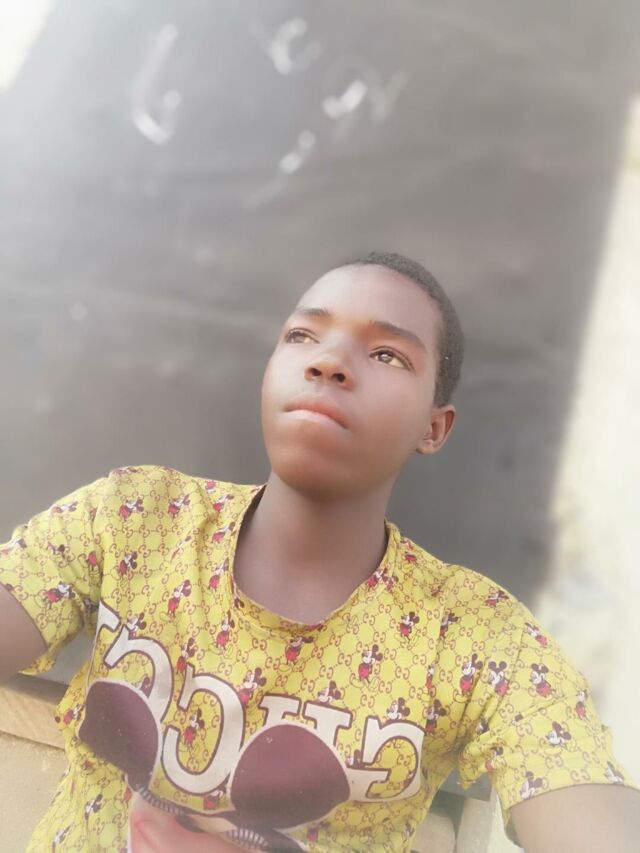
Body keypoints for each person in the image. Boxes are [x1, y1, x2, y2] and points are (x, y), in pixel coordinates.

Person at [0, 252, 638, 852]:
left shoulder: (476, 637)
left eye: (387, 353)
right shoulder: (135, 518)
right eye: (303, 336)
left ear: (433, 427)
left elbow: (577, 789)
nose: (328, 362)